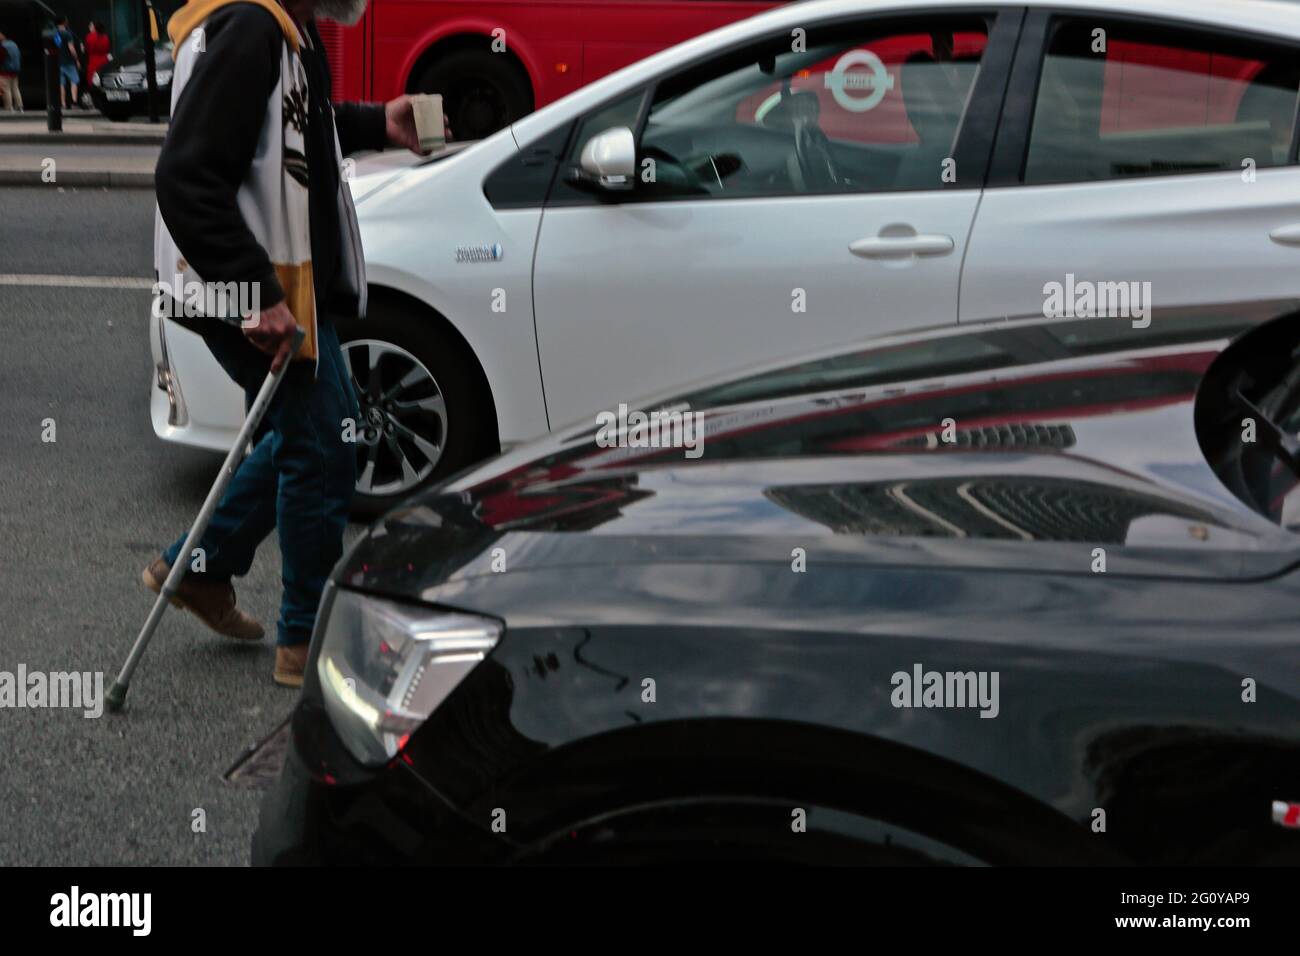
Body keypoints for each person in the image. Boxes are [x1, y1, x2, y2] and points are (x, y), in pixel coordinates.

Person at [146, 0, 430, 687]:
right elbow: (186, 178)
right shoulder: (249, 28)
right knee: (325, 444)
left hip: (286, 289)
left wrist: (374, 123)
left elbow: (294, 131)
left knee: (300, 437)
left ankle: (197, 569)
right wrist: (257, 293)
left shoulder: (287, 30)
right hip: (259, 295)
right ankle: (304, 639)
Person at [53, 16, 79, 109]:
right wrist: (76, 59)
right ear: (64, 22)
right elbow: (71, 48)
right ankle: (74, 102)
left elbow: (57, 46)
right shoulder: (67, 34)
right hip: (68, 61)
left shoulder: (55, 33)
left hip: (58, 61)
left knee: (61, 83)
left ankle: (63, 103)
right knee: (74, 81)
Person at [83, 20, 110, 99]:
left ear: (94, 27)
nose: (89, 27)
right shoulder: (105, 37)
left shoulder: (89, 36)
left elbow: (87, 49)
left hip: (93, 61)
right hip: (104, 60)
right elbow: (107, 48)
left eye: (91, 25)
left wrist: (83, 48)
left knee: (93, 81)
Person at [0, 32, 21, 111]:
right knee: (15, 88)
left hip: (6, 71)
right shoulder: (14, 44)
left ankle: (9, 107)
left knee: (6, 89)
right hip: (15, 70)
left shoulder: (3, 46)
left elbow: (1, 59)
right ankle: (19, 106)